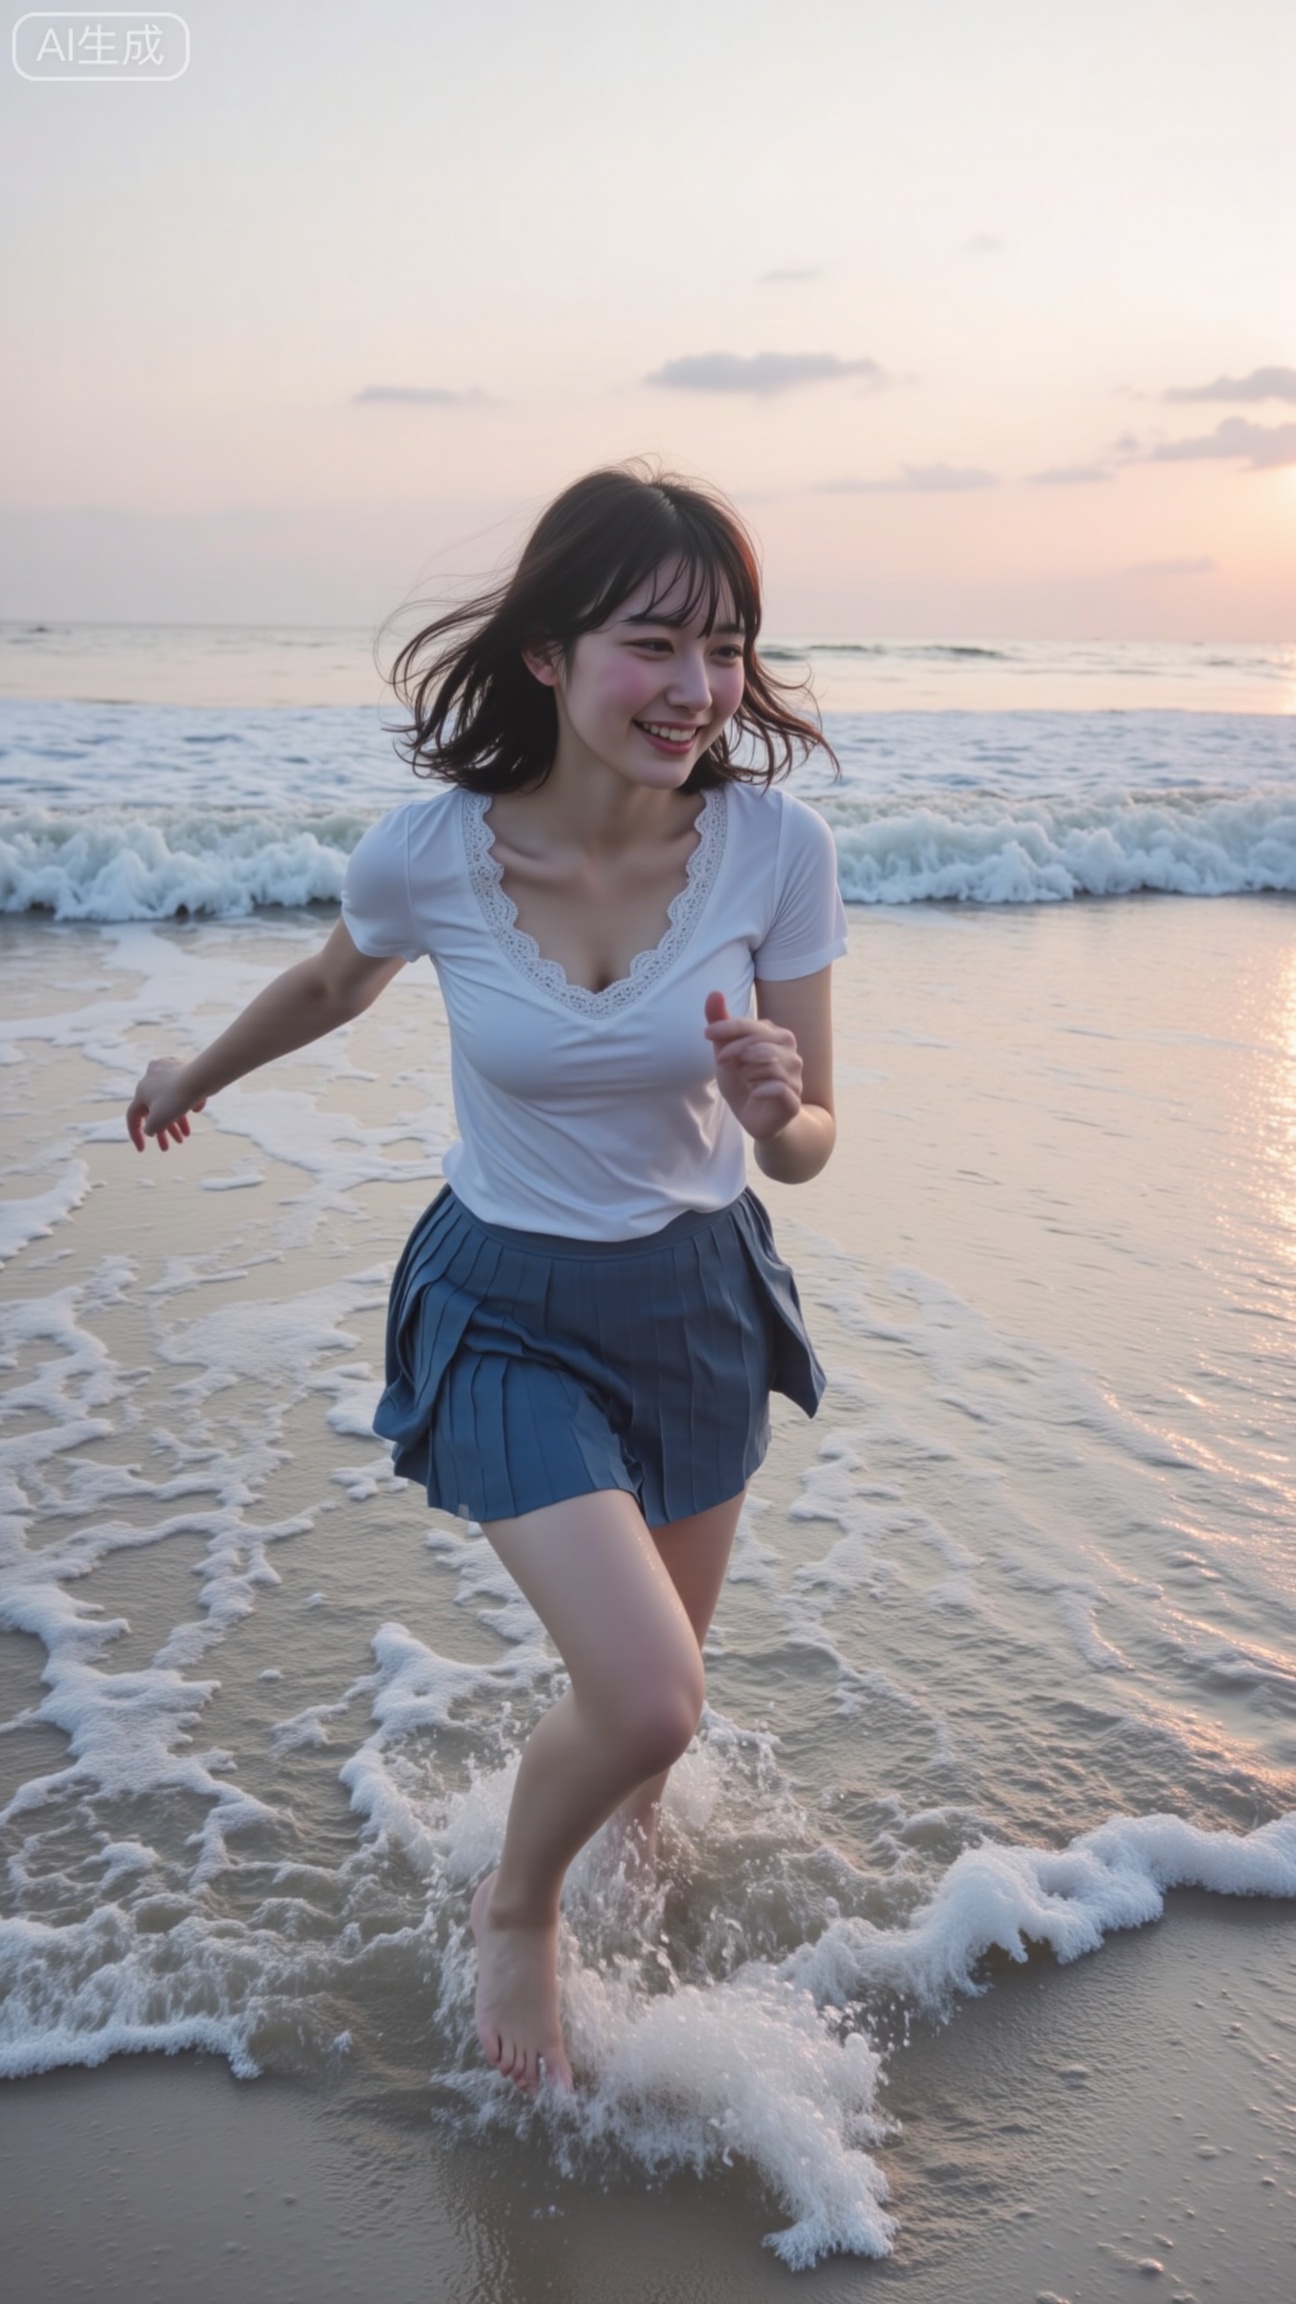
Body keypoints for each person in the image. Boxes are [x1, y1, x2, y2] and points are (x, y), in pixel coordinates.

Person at [126, 464, 848, 2097]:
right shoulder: (435, 855)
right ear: (546, 650)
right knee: (654, 1698)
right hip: (506, 1305)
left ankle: (623, 1875)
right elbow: (331, 981)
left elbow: (810, 1145)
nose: (695, 690)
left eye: (725, 649)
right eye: (654, 642)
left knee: (652, 1728)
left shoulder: (775, 849)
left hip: (700, 1304)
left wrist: (777, 1109)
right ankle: (514, 1907)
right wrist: (194, 1073)